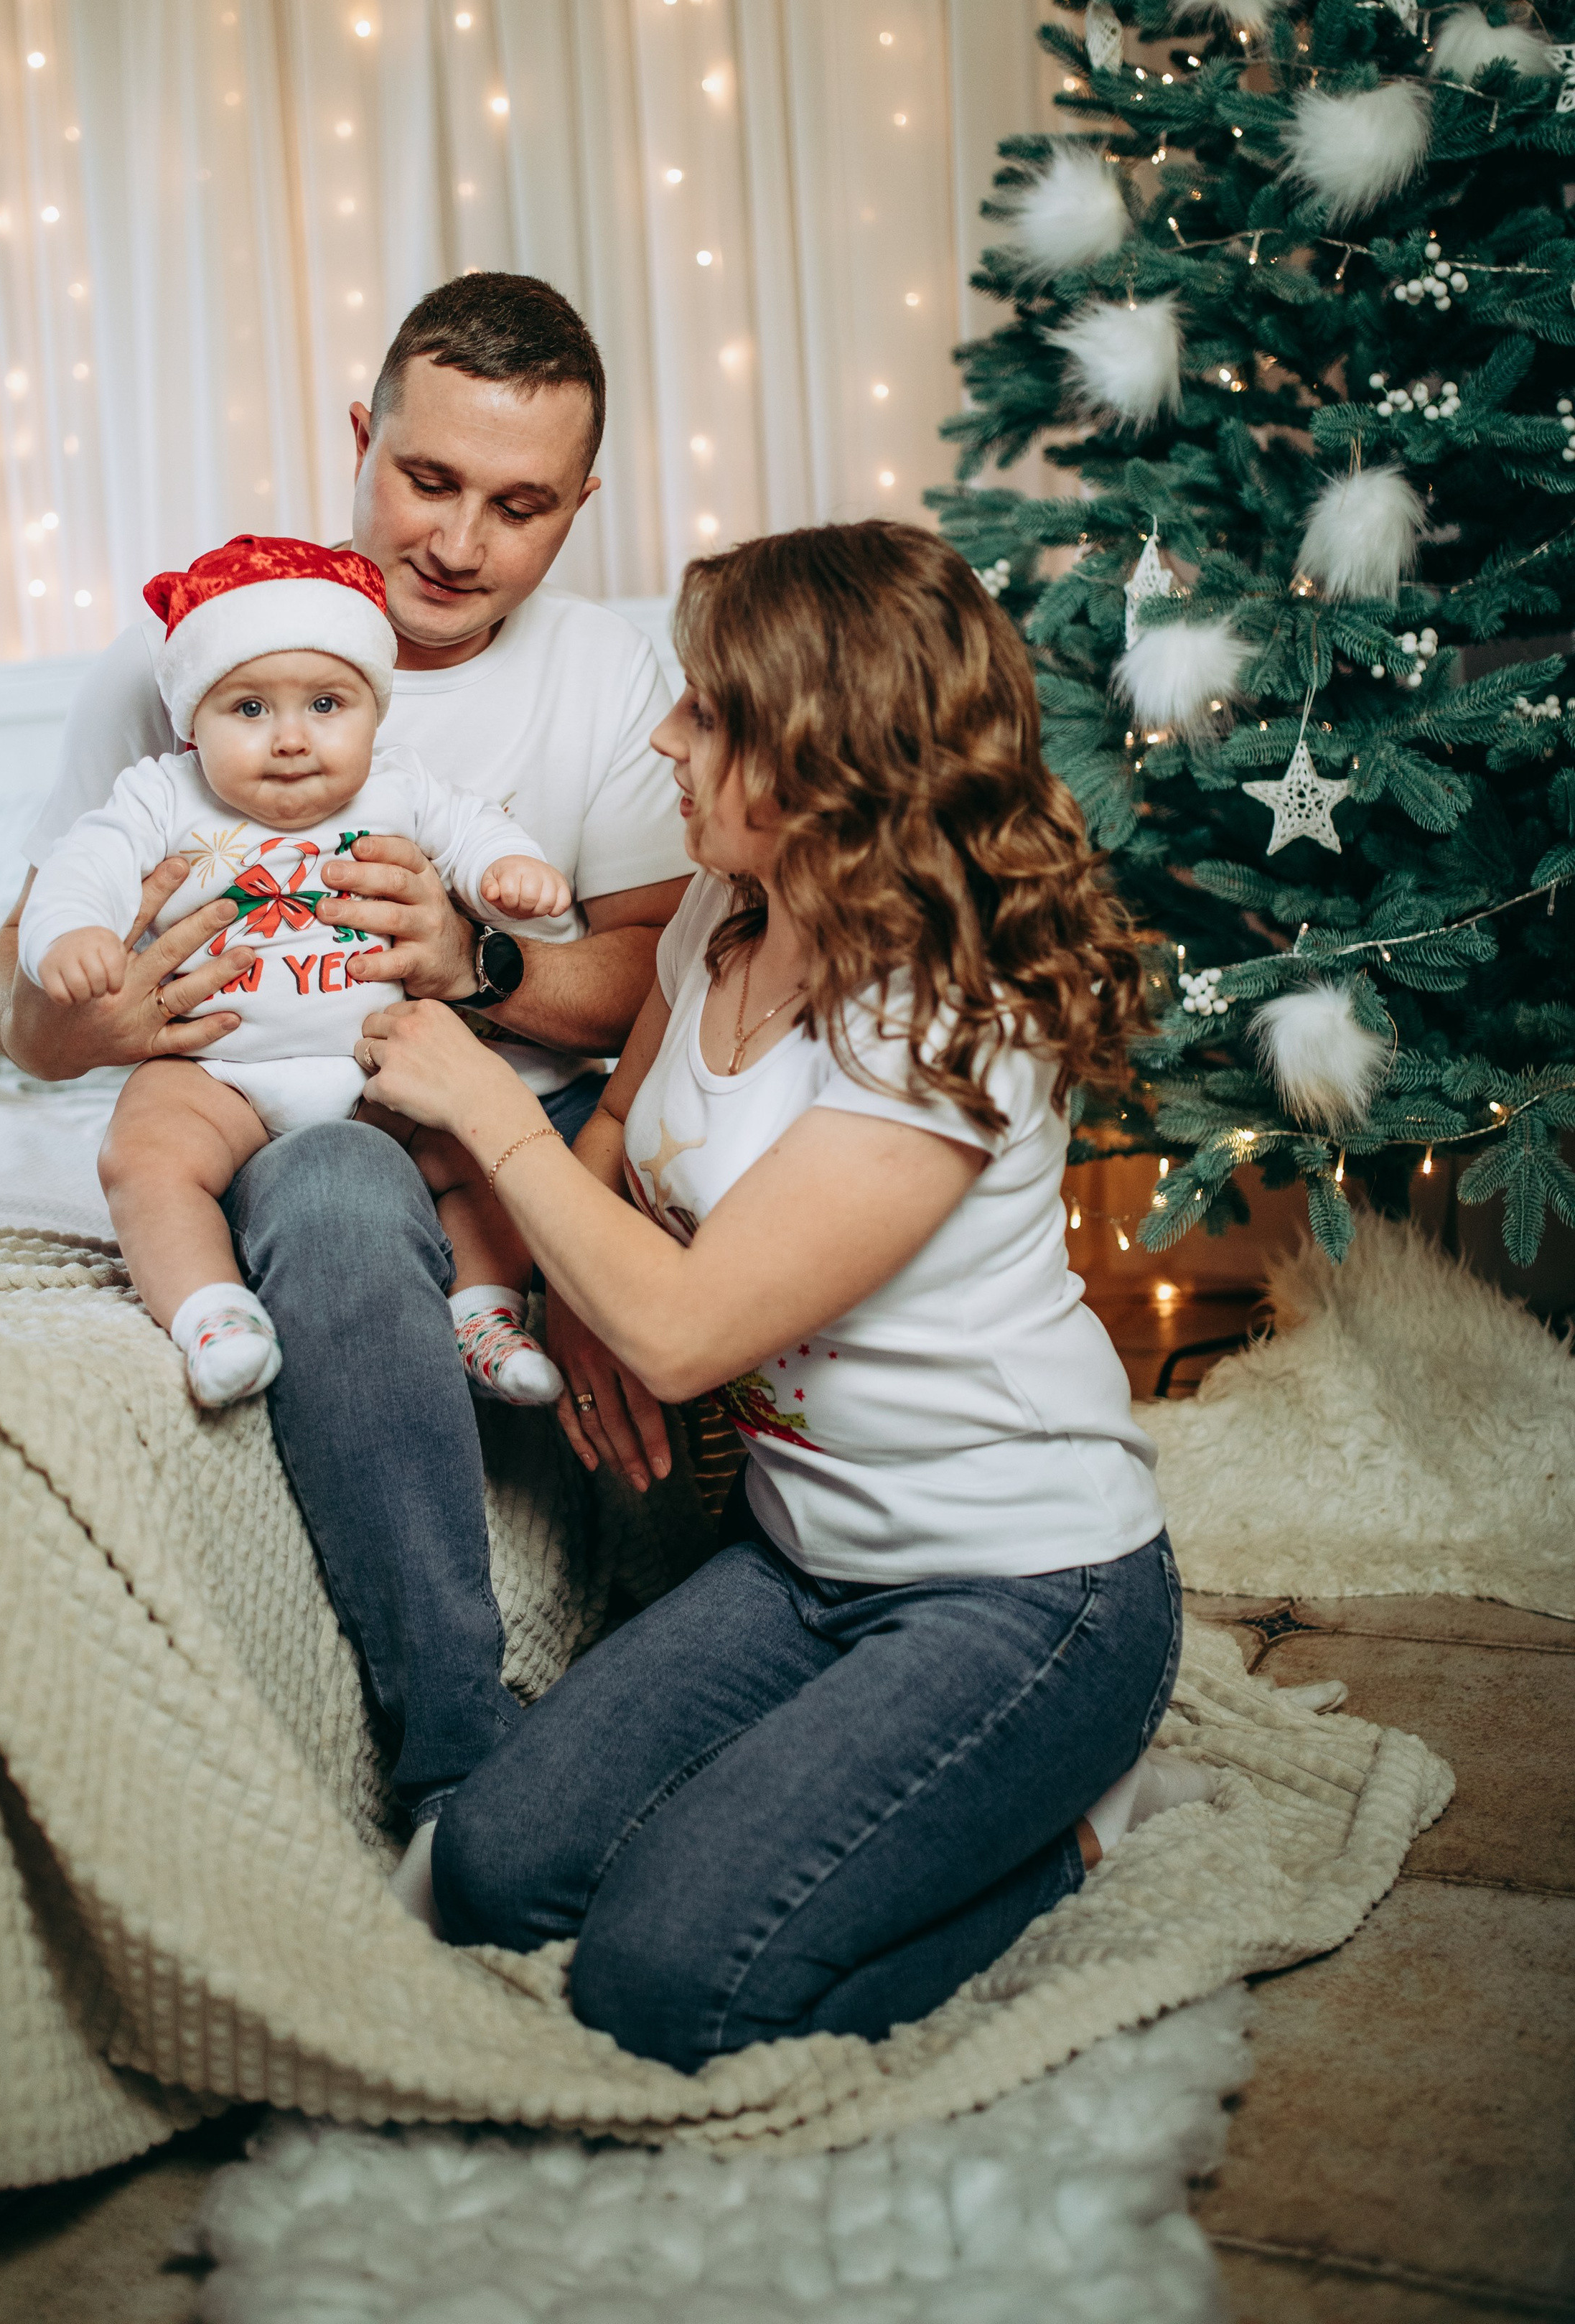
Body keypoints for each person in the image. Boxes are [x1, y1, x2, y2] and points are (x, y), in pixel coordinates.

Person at [352, 518, 1209, 2060]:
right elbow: (616, 1131)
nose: (662, 741)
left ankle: (1074, 1834)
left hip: (1021, 1587)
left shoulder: (955, 1013)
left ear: (817, 756)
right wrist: (569, 1300)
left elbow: (684, 1330)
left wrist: (477, 1100)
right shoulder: (717, 908)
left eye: (701, 713)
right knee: (492, 1870)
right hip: (801, 1560)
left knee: (675, 1981)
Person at [0, 274, 691, 1856]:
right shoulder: (192, 650)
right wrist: (87, 1016)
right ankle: (457, 1751)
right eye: (424, 480)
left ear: (580, 507)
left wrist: (475, 962)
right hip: (265, 1102)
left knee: (395, 1158)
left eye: (518, 507)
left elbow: (666, 968)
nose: (456, 543)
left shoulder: (608, 678)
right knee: (332, 1178)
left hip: (490, 1102)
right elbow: (12, 1003)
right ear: (360, 436)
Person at [19, 534, 572, 1410]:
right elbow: (82, 864)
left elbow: (471, 829)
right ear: (192, 719)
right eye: (247, 709)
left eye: (325, 704)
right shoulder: (162, 795)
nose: (289, 739)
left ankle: (483, 1313)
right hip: (220, 1076)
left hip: (377, 1067)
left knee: (481, 1134)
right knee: (142, 1154)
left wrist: (507, 868)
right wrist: (73, 931)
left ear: (373, 714)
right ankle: (210, 1316)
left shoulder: (400, 785)